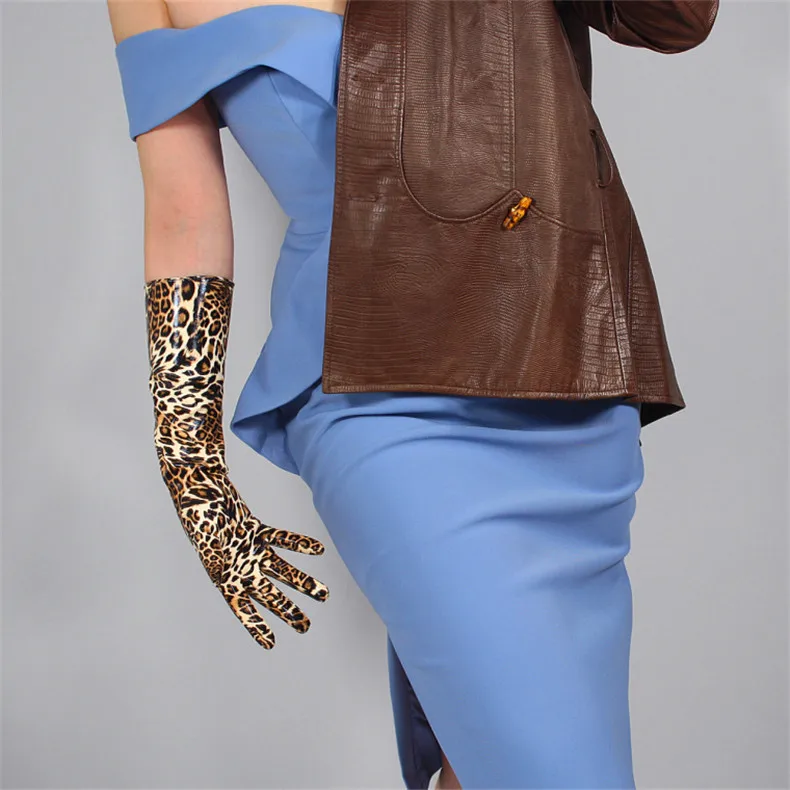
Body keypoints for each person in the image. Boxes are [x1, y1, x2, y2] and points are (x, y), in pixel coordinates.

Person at [108, 1, 717, 787]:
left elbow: (674, 18)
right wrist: (190, 467)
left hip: (557, 363)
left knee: (489, 762)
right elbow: (183, 212)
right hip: (378, 389)